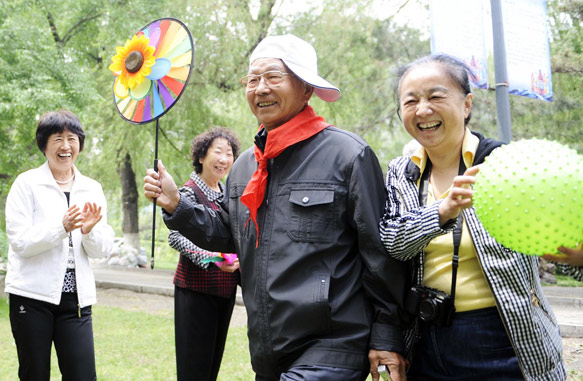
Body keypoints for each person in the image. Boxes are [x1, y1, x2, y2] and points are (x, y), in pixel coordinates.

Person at [144, 34, 411, 381]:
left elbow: (379, 253)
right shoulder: (245, 167)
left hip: (332, 346)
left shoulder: (347, 155)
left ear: (306, 89)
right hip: (268, 350)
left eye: (273, 77)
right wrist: (176, 204)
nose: (261, 88)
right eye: (253, 80)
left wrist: (387, 334)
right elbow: (226, 234)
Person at [379, 54, 583, 380]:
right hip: (427, 339)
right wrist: (442, 210)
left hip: (508, 338)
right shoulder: (402, 172)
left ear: (467, 104)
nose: (422, 110)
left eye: (436, 96)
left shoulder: (513, 167)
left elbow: (566, 251)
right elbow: (392, 242)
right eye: (410, 101)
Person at [5, 110, 114, 380]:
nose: (66, 146)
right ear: (44, 144)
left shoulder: (92, 188)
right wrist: (61, 227)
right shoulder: (26, 184)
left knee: (82, 375)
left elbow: (101, 250)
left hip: (76, 300)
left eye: (72, 139)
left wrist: (88, 231)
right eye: (58, 139)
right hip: (31, 298)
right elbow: (20, 241)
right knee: (35, 374)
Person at [168, 128, 241, 381]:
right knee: (193, 369)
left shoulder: (227, 196)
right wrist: (214, 259)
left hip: (224, 292)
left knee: (211, 368)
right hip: (195, 292)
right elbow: (175, 236)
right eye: (217, 152)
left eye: (229, 154)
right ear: (201, 156)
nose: (223, 159)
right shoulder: (186, 193)